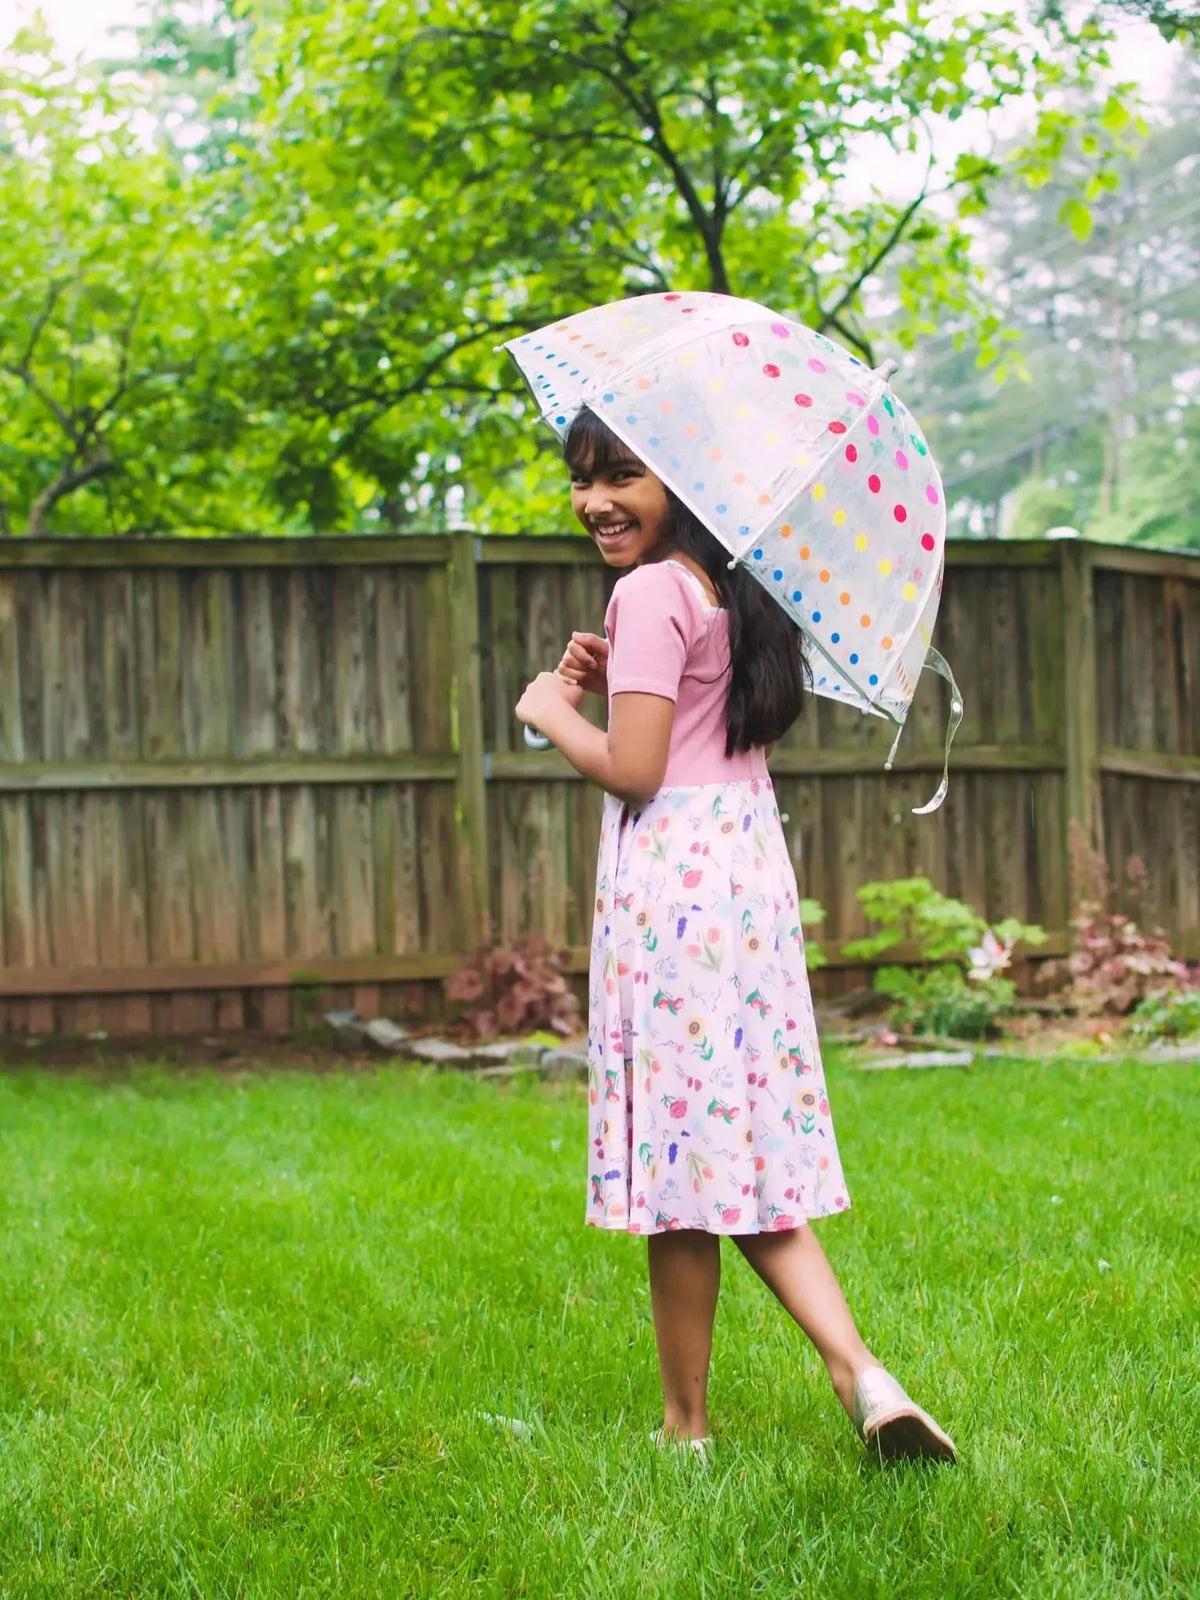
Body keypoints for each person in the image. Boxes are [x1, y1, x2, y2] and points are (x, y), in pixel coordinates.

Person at [515, 407, 956, 1464]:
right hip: (742, 895)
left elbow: (635, 768)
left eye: (622, 475)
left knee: (679, 1182)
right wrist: (611, 668)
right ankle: (864, 1375)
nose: (594, 501)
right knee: (737, 1156)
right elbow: (690, 715)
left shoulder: (651, 588)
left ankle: (686, 1427)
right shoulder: (724, 593)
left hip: (675, 903)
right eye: (582, 479)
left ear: (686, 480)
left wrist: (550, 709)